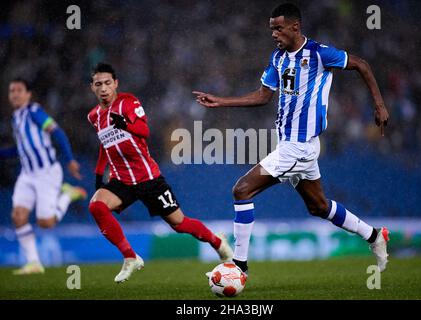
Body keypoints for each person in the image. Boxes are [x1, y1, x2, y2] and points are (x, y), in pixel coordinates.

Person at [193, 3, 390, 275]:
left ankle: (239, 265)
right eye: (271, 29)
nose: (274, 34)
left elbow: (362, 64)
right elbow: (263, 96)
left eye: (278, 28)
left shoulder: (320, 54)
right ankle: (374, 235)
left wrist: (379, 105)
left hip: (299, 146)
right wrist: (221, 101)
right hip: (291, 145)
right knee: (319, 206)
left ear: (295, 27)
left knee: (241, 190)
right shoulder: (278, 58)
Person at [87, 63, 232, 283]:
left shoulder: (128, 102)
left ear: (115, 84)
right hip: (121, 180)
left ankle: (217, 242)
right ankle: (130, 257)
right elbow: (104, 145)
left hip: (148, 178)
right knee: (96, 205)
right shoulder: (94, 116)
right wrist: (99, 176)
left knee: (179, 223)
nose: (104, 88)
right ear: (93, 88)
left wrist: (125, 124)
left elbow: (144, 131)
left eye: (108, 83)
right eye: (99, 84)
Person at [0, 78, 86, 275]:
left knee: (45, 223)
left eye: (19, 90)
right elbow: (22, 149)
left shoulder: (34, 112)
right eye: (11, 90)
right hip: (27, 174)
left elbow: (57, 133)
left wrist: (70, 160)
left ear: (28, 94)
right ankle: (34, 263)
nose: (14, 94)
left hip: (47, 173)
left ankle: (67, 195)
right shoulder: (16, 118)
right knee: (18, 215)